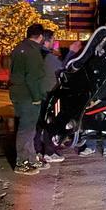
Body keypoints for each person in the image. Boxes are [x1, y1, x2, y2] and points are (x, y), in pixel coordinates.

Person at [9, 24, 48, 174]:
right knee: (27, 129)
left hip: (19, 94)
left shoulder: (19, 48)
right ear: (40, 36)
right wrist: (37, 97)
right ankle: (22, 162)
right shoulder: (33, 52)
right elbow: (32, 78)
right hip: (28, 96)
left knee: (27, 129)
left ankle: (30, 159)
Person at [35, 30, 64, 163]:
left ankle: (37, 151)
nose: (54, 42)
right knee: (49, 123)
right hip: (49, 94)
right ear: (47, 40)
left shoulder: (35, 54)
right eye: (53, 40)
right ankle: (49, 151)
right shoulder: (49, 57)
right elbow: (63, 70)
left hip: (37, 94)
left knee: (38, 124)